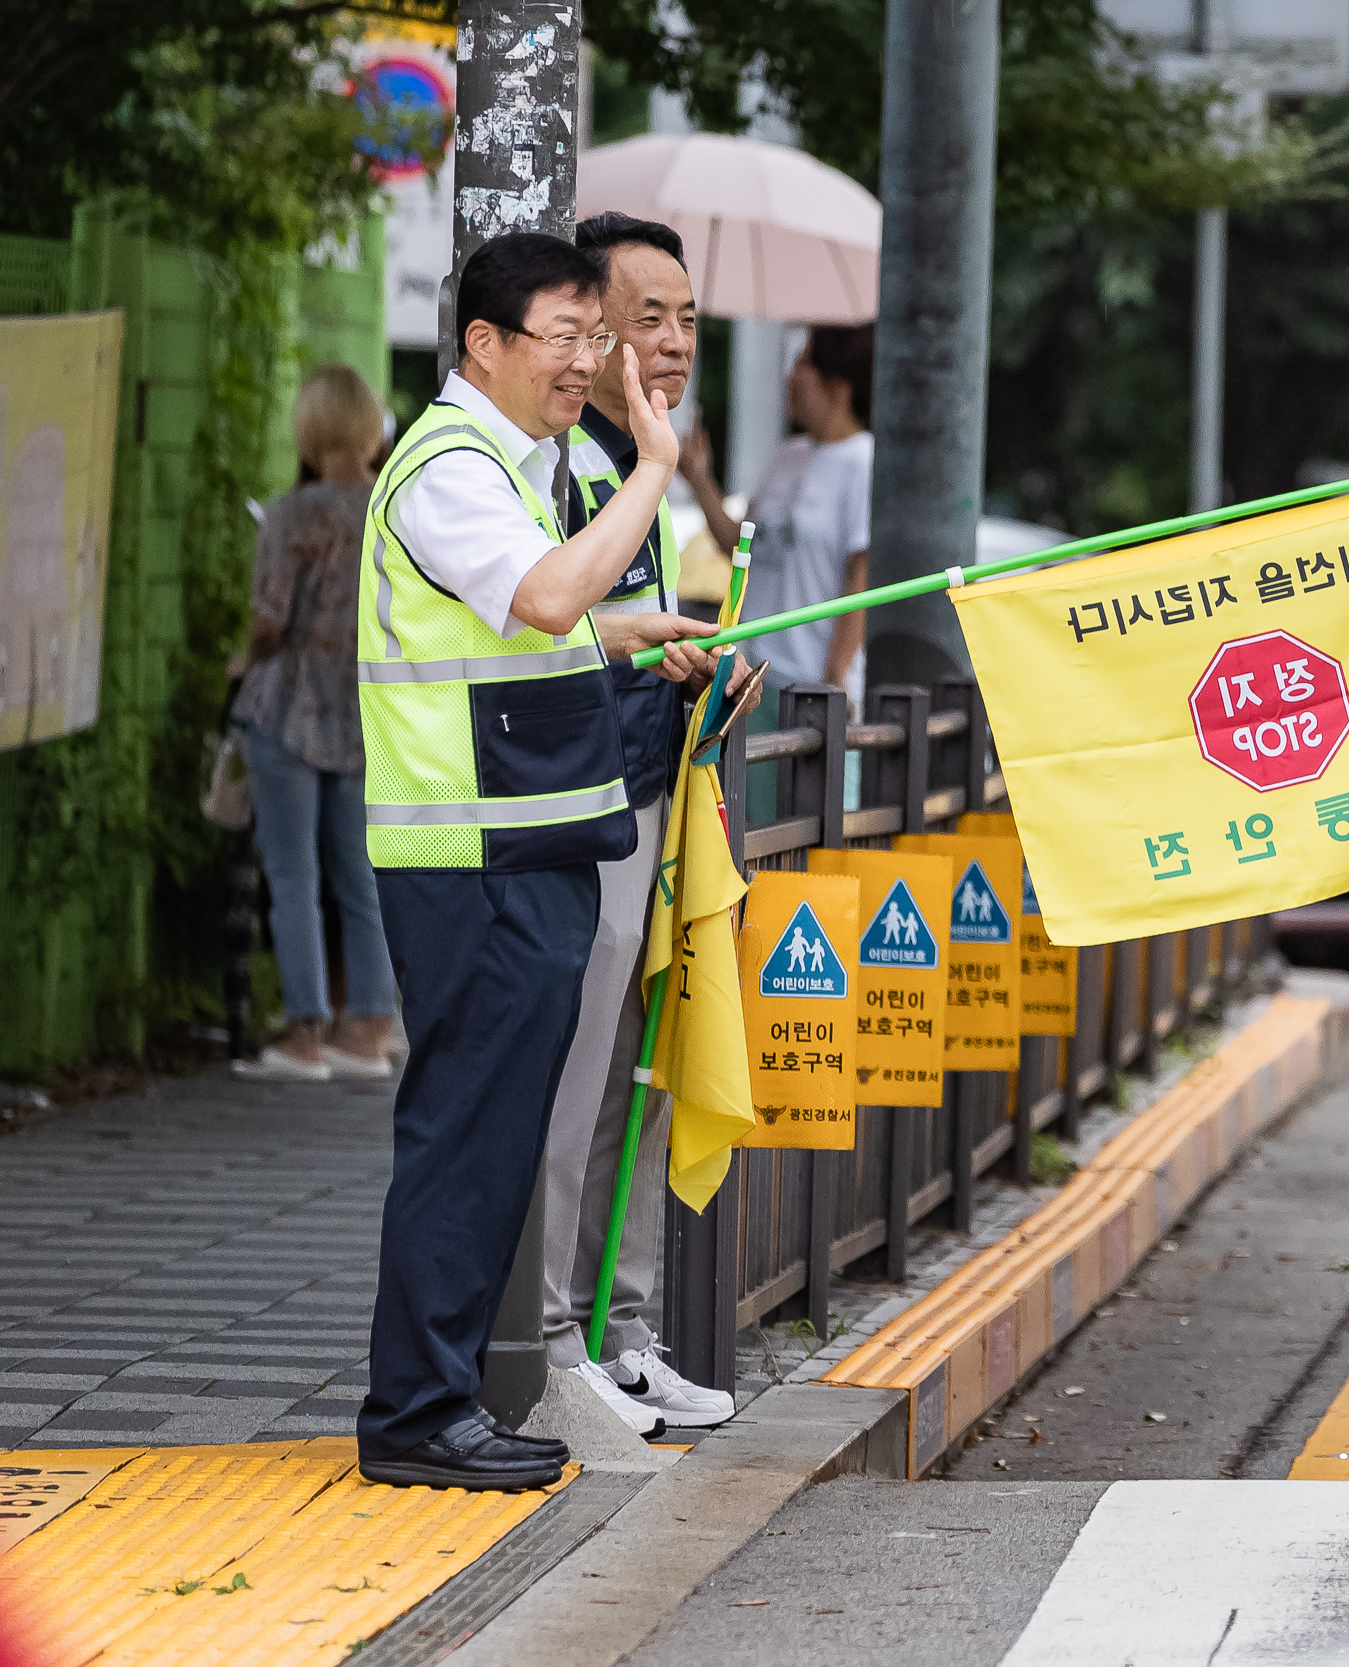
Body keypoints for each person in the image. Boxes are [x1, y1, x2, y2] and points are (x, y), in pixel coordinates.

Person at [354, 232, 731, 1492]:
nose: (591, 361)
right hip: (470, 853)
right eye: (567, 337)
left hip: (527, 840)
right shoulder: (453, 466)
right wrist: (660, 470)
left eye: (594, 335)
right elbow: (548, 599)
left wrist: (633, 634)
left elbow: (549, 624)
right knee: (466, 1130)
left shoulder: (526, 463)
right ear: (485, 345)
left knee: (493, 1130)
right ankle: (415, 1410)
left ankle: (439, 1398)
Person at [538, 209, 746, 1439]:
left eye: (685, 319)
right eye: (645, 317)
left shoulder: (640, 467)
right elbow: (549, 638)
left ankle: (619, 1337)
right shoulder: (569, 470)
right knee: (578, 1088)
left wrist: (706, 675)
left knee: (634, 1083)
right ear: (588, 331)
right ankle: (558, 1345)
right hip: (590, 822)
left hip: (652, 807)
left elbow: (622, 646)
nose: (670, 343)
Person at [228, 365, 399, 1084]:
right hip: (361, 711)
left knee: (293, 872)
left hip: (289, 707)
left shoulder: (293, 515)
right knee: (359, 874)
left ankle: (304, 1032)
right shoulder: (396, 511)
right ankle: (371, 1024)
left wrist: (241, 659)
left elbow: (271, 621)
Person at [677, 324, 874, 706]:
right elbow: (739, 546)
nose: (790, 378)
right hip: (751, 671)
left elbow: (860, 576)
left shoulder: (863, 461)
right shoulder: (787, 455)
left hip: (810, 682)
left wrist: (835, 678)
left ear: (839, 385)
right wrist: (700, 480)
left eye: (803, 365)